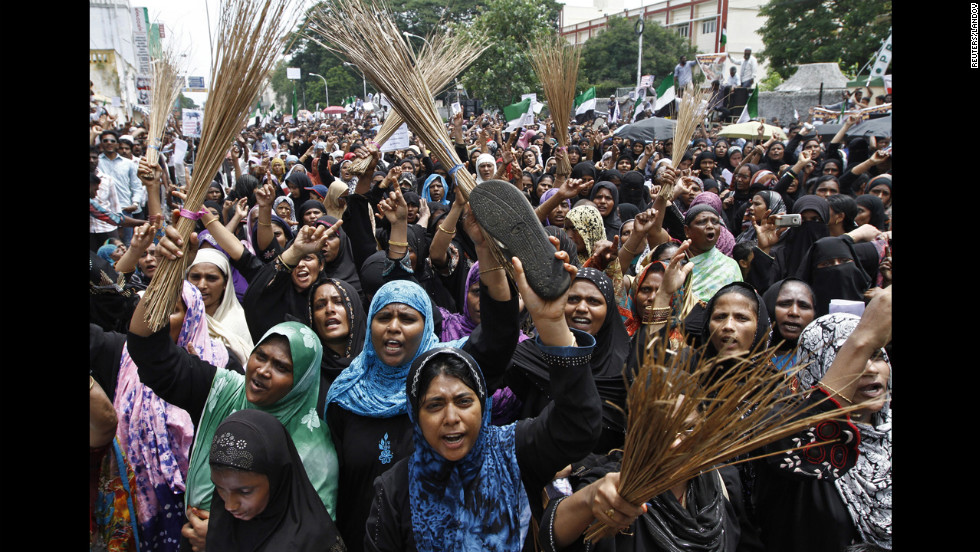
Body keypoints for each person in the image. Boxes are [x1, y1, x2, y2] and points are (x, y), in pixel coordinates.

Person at [362, 253, 602, 551]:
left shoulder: (515, 450)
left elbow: (579, 426)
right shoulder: (394, 490)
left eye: (463, 401)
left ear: (483, 404)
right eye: (434, 405)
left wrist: (554, 324)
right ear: (415, 414)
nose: (451, 417)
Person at [325, 231, 520, 552]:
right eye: (384, 316)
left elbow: (498, 336)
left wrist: (486, 253)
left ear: (427, 325)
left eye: (407, 318)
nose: (394, 327)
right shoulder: (345, 394)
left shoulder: (447, 371)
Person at [754, 289, 892, 551]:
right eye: (853, 358)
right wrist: (861, 341)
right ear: (819, 367)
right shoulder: (796, 444)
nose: (871, 369)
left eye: (876, 355)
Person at [206, 410, 346, 552]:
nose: (229, 506)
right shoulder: (224, 523)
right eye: (220, 489)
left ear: (278, 479)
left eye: (245, 491)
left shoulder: (313, 542)